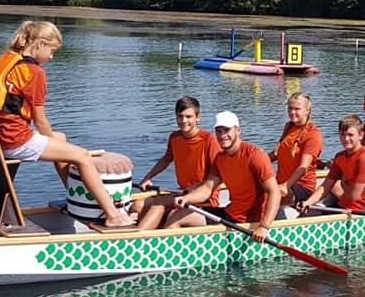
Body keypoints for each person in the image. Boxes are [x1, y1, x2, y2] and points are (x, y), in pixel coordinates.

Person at [0, 20, 134, 227]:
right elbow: (40, 121)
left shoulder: (9, 61)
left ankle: (76, 198)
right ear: (40, 43)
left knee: (60, 138)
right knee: (82, 156)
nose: (51, 57)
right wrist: (66, 150)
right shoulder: (35, 73)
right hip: (15, 141)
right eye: (52, 50)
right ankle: (113, 215)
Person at [172, 111, 284, 242]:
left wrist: (264, 227)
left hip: (250, 222)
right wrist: (187, 198)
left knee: (179, 217)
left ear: (238, 130)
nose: (222, 135)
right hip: (230, 213)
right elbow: (208, 188)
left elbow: (274, 192)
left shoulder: (255, 155)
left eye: (227, 130)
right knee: (177, 214)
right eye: (219, 131)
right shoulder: (220, 158)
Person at [133, 96, 222, 230]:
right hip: (182, 193)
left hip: (205, 200)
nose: (183, 121)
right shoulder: (175, 138)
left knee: (158, 203)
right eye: (180, 116)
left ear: (198, 117)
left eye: (188, 117)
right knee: (137, 206)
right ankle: (150, 231)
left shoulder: (210, 140)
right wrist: (147, 178)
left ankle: (137, 240)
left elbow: (219, 176)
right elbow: (166, 159)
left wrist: (195, 187)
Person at [297, 115, 365, 213]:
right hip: (344, 206)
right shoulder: (340, 157)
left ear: (361, 135)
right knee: (307, 214)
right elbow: (325, 186)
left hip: (364, 211)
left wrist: (342, 181)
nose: (346, 139)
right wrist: (308, 202)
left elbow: (353, 195)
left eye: (350, 135)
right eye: (342, 134)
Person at [271, 92, 323, 208]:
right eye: (290, 108)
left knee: (268, 195)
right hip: (281, 182)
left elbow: (303, 168)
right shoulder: (289, 126)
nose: (292, 112)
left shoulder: (313, 135)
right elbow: (276, 153)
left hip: (302, 187)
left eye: (297, 109)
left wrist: (285, 186)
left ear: (307, 110)